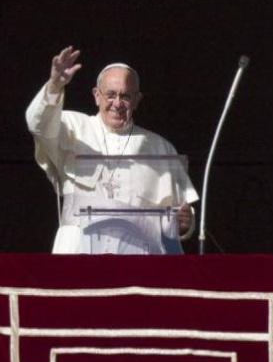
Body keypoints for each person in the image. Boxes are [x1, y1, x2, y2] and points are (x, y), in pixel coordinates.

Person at [26, 46, 198, 254]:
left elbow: (177, 218)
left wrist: (185, 224)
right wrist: (54, 86)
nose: (117, 103)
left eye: (125, 96)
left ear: (137, 100)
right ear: (96, 96)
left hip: (137, 259)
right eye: (110, 95)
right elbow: (37, 123)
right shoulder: (72, 127)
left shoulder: (161, 147)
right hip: (79, 252)